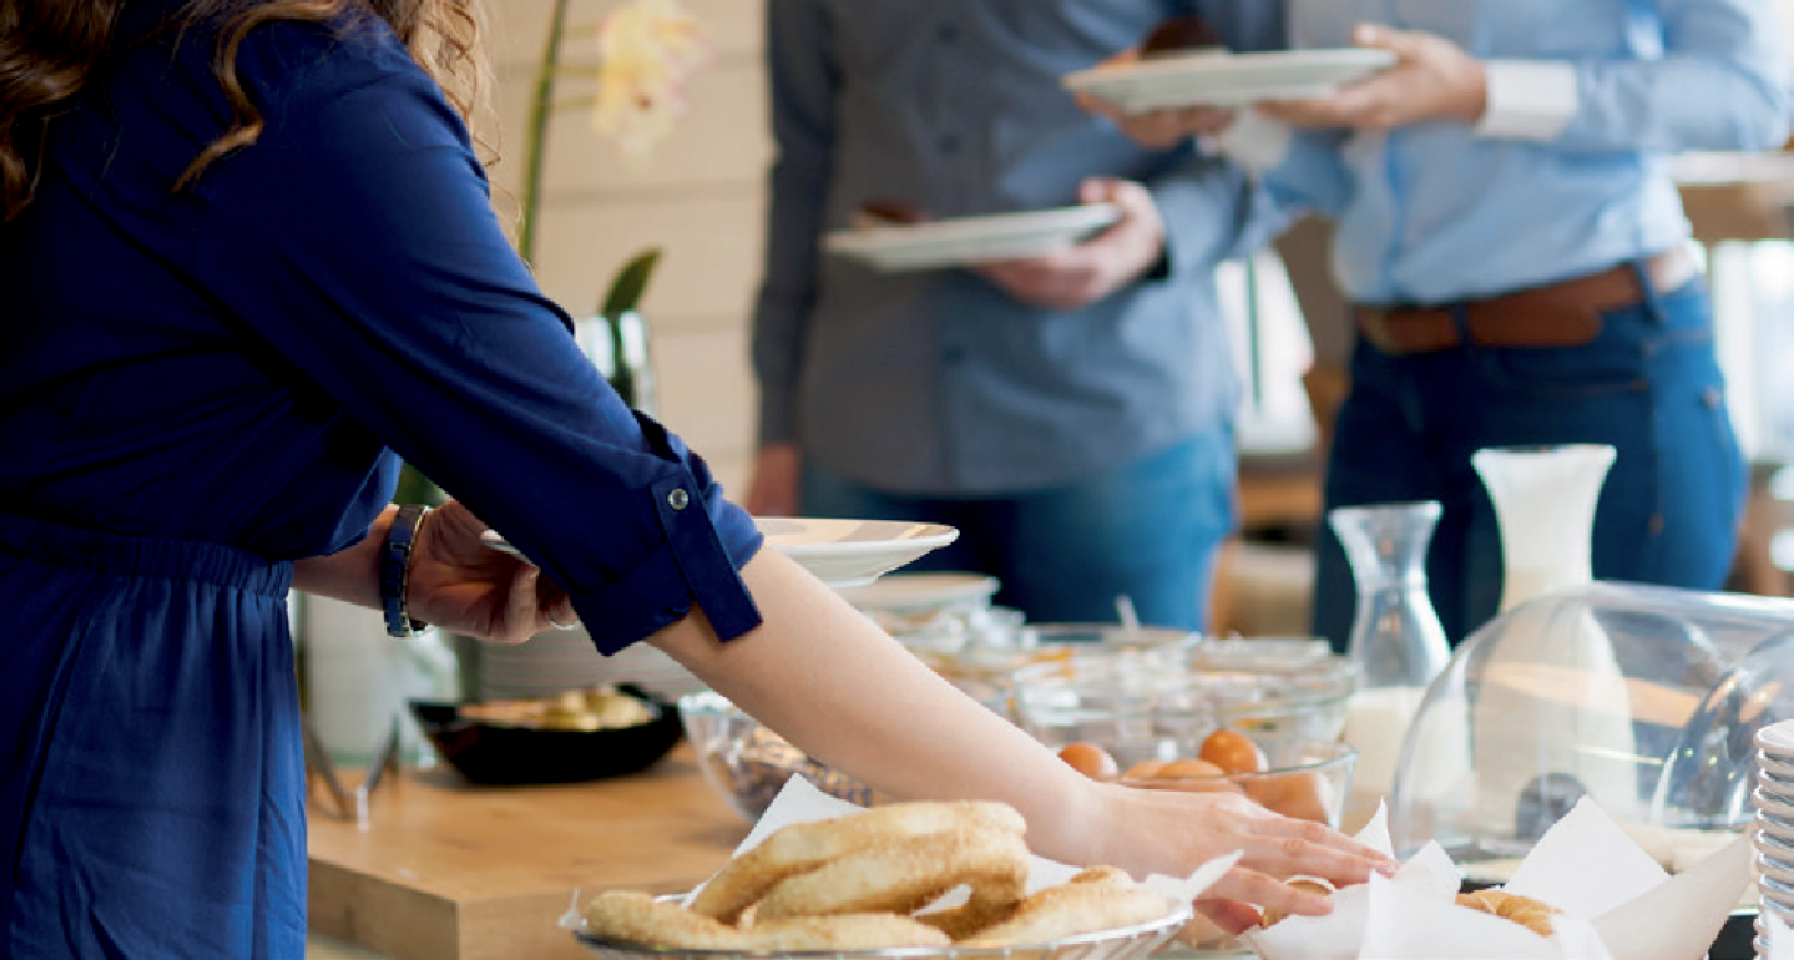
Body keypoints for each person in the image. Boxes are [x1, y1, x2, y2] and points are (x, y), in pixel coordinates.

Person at [0, 1, 1395, 955]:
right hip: (100, 767)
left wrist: (385, 557)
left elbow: (77, 452)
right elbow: (632, 515)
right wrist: (1088, 815)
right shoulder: (288, 92)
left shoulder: (108, 41)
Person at [1090, 1, 1791, 647]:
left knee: (1563, 759)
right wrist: (1219, 117)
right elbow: (1344, 179)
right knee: (1371, 738)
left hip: (1593, 369)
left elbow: (1753, 97)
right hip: (1389, 381)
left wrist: (1482, 90)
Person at [743, 2, 1293, 631]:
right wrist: (777, 427)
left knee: (1125, 727)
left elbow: (1283, 125)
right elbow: (804, 158)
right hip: (866, 424)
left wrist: (1156, 232)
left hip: (1115, 425)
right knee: (865, 729)